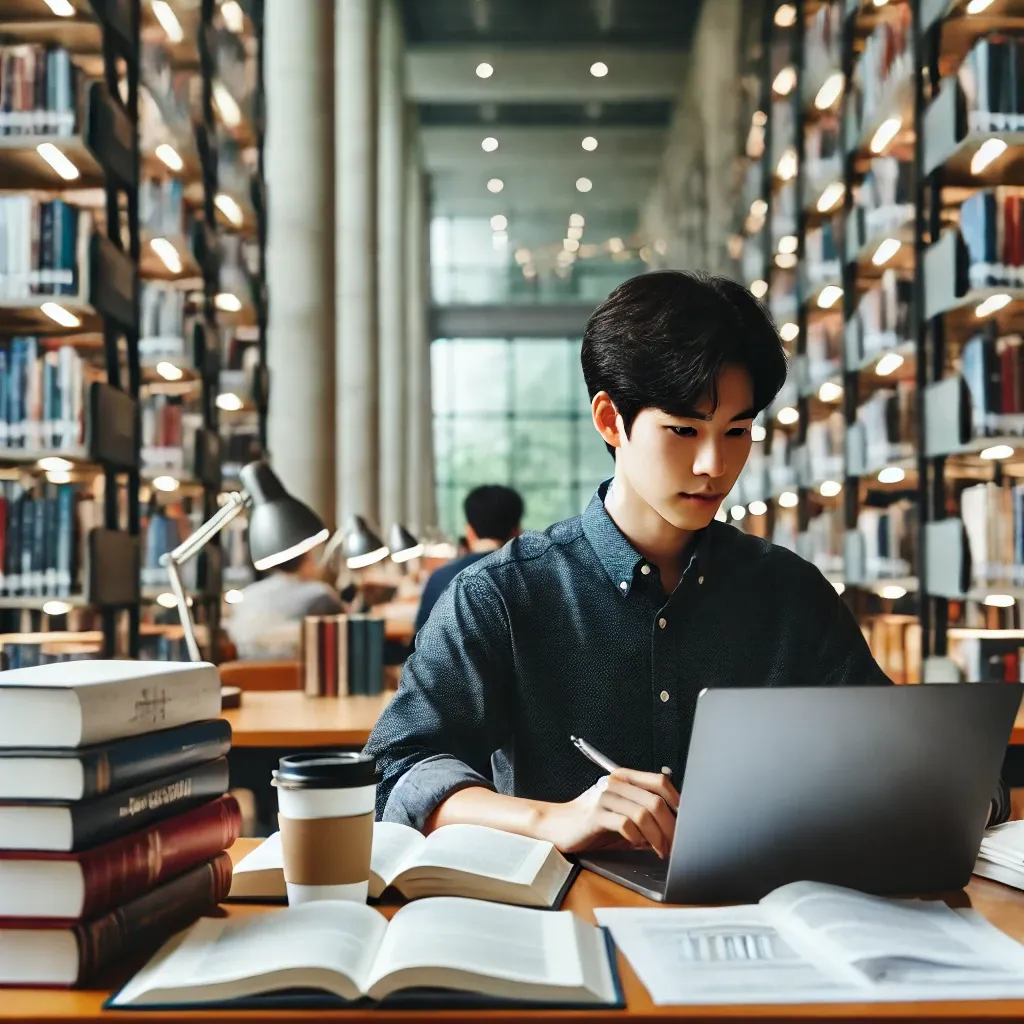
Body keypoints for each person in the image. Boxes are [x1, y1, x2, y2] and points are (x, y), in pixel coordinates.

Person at [364, 269, 1007, 861]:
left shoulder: (790, 593)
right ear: (611, 420)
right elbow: (396, 771)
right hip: (572, 932)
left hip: (767, 925)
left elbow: (895, 752)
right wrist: (552, 819)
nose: (714, 466)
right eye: (684, 430)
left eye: (736, 432)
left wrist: (953, 793)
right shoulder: (503, 596)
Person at [414, 484, 524, 633]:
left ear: (469, 531)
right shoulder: (531, 578)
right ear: (516, 531)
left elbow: (419, 638)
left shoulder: (439, 578)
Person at [225, 550, 343, 660]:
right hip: (294, 674)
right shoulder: (319, 593)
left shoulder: (247, 595)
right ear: (306, 560)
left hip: (244, 674)